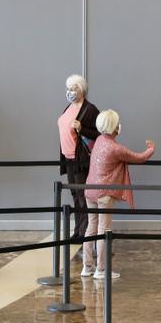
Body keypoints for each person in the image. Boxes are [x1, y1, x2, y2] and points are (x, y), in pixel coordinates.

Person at [83, 109, 155, 280]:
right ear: (114, 126)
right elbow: (138, 157)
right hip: (104, 194)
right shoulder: (115, 147)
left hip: (89, 190)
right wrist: (151, 149)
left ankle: (87, 267)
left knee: (91, 227)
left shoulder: (99, 140)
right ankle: (101, 269)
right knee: (104, 230)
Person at [58, 74, 100, 241]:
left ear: (82, 90)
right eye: (68, 88)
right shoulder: (68, 107)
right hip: (68, 160)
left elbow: (100, 134)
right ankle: (78, 231)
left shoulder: (90, 109)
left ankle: (85, 235)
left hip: (81, 161)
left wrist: (82, 128)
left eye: (73, 88)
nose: (70, 92)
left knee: (83, 197)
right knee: (75, 196)